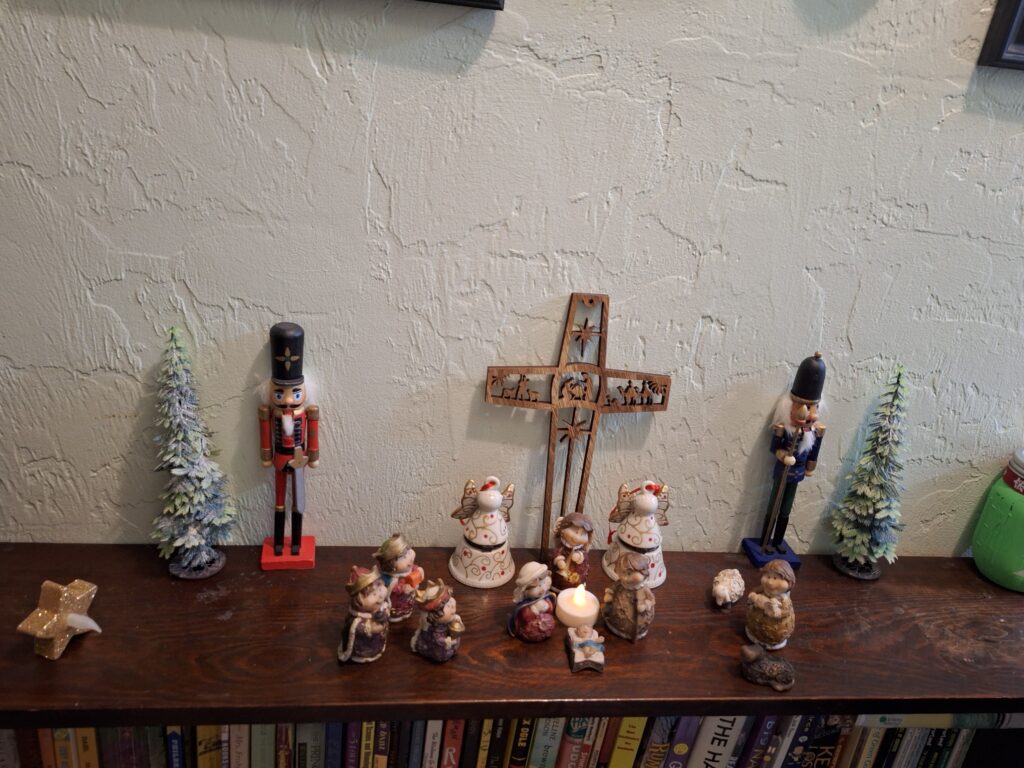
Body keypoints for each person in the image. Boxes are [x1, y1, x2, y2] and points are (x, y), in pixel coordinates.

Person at [258, 322, 319, 557]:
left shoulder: (306, 413)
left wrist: (313, 455)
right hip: (280, 458)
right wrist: (266, 455)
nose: (288, 400)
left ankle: (295, 542)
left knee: (298, 500)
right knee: (279, 499)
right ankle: (278, 542)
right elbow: (266, 434)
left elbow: (312, 434)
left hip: (299, 458)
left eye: (295, 393)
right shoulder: (271, 413)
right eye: (279, 393)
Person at [758, 353, 826, 555]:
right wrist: (782, 456)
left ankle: (778, 540)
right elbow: (774, 447)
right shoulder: (783, 429)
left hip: (797, 474)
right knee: (774, 505)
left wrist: (810, 466)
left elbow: (814, 451)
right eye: (802, 407)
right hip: (782, 472)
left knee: (786, 508)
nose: (808, 413)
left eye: (812, 408)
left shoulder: (814, 432)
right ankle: (764, 540)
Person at [337, 566, 389, 663]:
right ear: (359, 601)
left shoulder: (382, 606)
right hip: (365, 645)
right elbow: (361, 629)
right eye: (373, 594)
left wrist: (384, 615)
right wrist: (375, 627)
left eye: (379, 588)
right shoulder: (357, 619)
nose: (380, 595)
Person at [602, 552, 656, 642]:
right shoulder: (620, 584)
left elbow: (652, 600)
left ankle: (634, 632)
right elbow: (613, 588)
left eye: (629, 573)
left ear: (642, 572)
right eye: (622, 573)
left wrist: (645, 605)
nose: (625, 578)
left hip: (638, 621)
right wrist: (609, 595)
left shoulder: (643, 589)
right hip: (616, 617)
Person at [746, 559, 796, 650]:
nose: (770, 582)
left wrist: (775, 610)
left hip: (776, 630)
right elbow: (753, 592)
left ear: (789, 581)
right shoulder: (763, 589)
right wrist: (753, 597)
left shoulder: (784, 599)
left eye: (775, 578)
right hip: (755, 625)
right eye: (768, 576)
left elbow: (785, 611)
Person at [374, 533, 424, 622]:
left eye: (409, 552)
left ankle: (406, 611)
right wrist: (403, 588)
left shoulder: (410, 569)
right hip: (396, 601)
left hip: (408, 599)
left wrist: (419, 572)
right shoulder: (390, 578)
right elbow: (390, 589)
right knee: (398, 608)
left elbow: (415, 572)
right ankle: (395, 615)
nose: (409, 558)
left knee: (407, 605)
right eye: (403, 557)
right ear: (391, 564)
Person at [411, 579, 463, 663]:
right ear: (435, 614)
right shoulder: (435, 629)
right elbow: (438, 639)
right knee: (440, 653)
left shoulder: (447, 619)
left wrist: (456, 619)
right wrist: (447, 641)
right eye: (447, 605)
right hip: (437, 645)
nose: (452, 605)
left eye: (450, 599)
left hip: (449, 636)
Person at [508, 562, 556, 642]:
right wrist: (533, 610)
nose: (542, 589)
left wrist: (546, 606)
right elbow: (525, 617)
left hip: (547, 625)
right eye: (537, 587)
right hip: (531, 629)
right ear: (525, 590)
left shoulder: (546, 596)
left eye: (543, 583)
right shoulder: (525, 605)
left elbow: (551, 610)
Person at [551, 512, 595, 591]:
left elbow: (585, 556)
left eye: (583, 534)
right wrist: (559, 561)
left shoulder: (581, 549)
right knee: (558, 578)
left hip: (576, 574)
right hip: (560, 574)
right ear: (563, 529)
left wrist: (579, 556)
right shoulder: (562, 547)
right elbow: (557, 552)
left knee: (576, 580)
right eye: (575, 531)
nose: (577, 537)